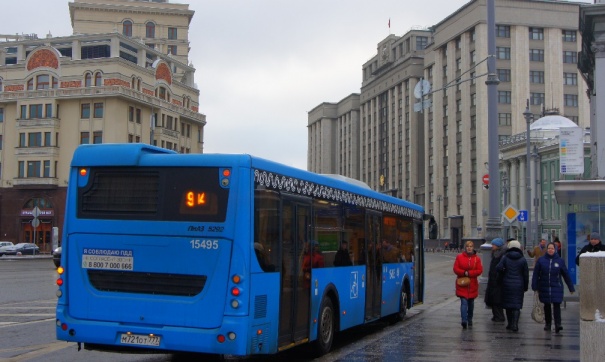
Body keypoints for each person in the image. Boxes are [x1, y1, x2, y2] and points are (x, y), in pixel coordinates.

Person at [532, 242, 575, 333]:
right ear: (547, 250)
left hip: (556, 286)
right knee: (547, 306)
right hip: (544, 286)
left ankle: (558, 324)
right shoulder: (541, 260)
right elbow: (536, 274)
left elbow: (566, 275)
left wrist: (571, 288)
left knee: (556, 305)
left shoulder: (560, 261)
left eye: (552, 248)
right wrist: (535, 286)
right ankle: (548, 324)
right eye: (549, 248)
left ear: (555, 250)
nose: (550, 250)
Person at [496, 240, 529, 332]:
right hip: (519, 285)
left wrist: (504, 271)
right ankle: (515, 325)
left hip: (507, 284)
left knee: (508, 305)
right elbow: (525, 275)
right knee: (516, 305)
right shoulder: (522, 259)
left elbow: (498, 268)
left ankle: (510, 324)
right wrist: (525, 286)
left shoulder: (505, 257)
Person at [453, 240, 483, 329]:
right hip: (462, 283)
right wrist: (464, 272)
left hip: (472, 284)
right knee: (464, 302)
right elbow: (455, 269)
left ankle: (470, 319)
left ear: (473, 248)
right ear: (465, 248)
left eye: (471, 246)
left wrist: (469, 274)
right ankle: (464, 320)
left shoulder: (477, 259)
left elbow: (479, 270)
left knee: (471, 303)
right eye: (467, 246)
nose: (469, 248)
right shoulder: (459, 257)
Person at [485, 237, 507, 323]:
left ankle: (499, 316)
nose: (492, 246)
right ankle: (496, 315)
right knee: (494, 299)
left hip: (498, 280)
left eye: (493, 244)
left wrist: (497, 277)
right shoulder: (495, 253)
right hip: (493, 280)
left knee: (497, 299)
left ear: (498, 246)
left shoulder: (501, 255)